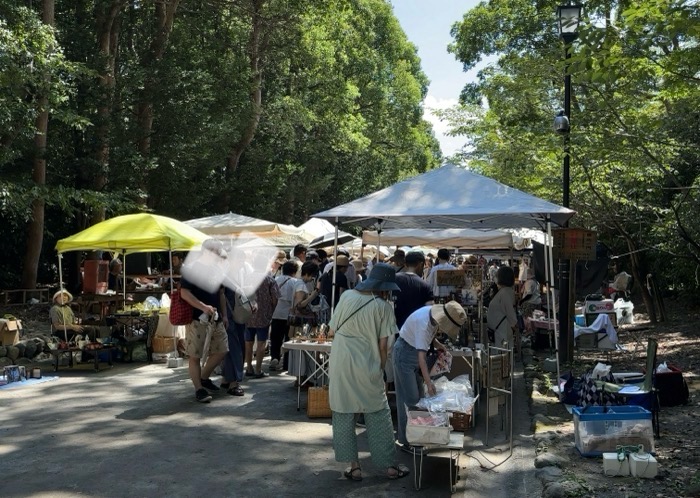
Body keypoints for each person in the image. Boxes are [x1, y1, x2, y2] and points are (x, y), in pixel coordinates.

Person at [328, 263, 410, 481]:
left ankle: (354, 467)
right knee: (378, 412)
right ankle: (390, 467)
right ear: (384, 286)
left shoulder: (346, 296)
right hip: (367, 361)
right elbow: (384, 346)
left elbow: (332, 329)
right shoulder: (383, 307)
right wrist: (381, 369)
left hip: (340, 360)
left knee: (343, 411)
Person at [393, 301, 467, 449]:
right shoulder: (423, 323)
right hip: (405, 354)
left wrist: (439, 345)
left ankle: (416, 436)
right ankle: (407, 441)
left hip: (413, 353)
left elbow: (428, 339)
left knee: (419, 398)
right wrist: (429, 383)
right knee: (410, 400)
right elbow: (421, 358)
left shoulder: (431, 317)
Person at [179, 239, 229, 403]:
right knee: (195, 355)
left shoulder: (217, 269)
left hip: (216, 318)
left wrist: (225, 315)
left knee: (222, 350)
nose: (218, 254)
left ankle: (204, 378)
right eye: (216, 251)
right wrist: (202, 307)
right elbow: (184, 293)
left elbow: (221, 294)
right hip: (196, 319)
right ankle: (199, 389)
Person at [244, 256, 280, 378]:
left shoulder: (246, 278)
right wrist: (270, 310)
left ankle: (249, 367)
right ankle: (258, 369)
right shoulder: (269, 280)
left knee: (248, 343)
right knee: (261, 343)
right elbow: (275, 297)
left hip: (248, 315)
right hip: (263, 316)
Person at [269, 261, 303, 371]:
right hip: (289, 314)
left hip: (276, 312)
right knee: (288, 339)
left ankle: (274, 357)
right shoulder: (295, 282)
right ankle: (287, 362)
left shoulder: (276, 279)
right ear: (294, 271)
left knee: (275, 338)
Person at [393, 251, 433, 330]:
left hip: (395, 327)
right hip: (415, 329)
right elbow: (429, 310)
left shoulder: (393, 279)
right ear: (420, 264)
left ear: (406, 264)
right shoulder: (425, 285)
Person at [486, 266, 518, 346]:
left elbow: (510, 313)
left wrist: (513, 326)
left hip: (502, 331)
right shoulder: (504, 291)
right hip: (500, 330)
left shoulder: (505, 293)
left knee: (502, 355)